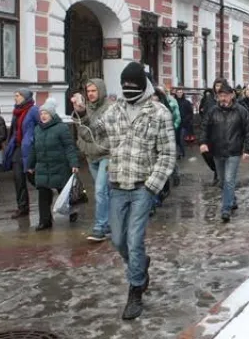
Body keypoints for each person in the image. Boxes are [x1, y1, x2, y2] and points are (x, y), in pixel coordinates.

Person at [78, 61, 177, 320]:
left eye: (133, 86)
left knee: (134, 240)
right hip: (117, 184)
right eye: (125, 86)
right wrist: (81, 113)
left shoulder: (159, 113)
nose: (128, 90)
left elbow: (168, 154)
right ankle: (140, 265)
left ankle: (135, 290)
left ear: (142, 86)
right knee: (118, 239)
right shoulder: (115, 110)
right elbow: (93, 134)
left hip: (143, 187)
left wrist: (152, 185)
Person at [200, 80, 249, 222]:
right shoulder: (212, 111)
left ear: (232, 96)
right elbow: (205, 127)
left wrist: (247, 149)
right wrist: (203, 142)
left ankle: (226, 209)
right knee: (223, 181)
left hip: (234, 151)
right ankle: (232, 199)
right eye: (220, 96)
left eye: (225, 95)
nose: (222, 98)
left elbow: (248, 130)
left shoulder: (241, 111)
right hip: (217, 151)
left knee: (229, 180)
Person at [28, 99, 79, 231]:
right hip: (43, 167)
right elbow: (34, 148)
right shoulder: (37, 129)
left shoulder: (61, 128)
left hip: (60, 166)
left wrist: (74, 163)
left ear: (52, 115)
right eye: (41, 114)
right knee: (43, 193)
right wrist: (30, 165)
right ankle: (45, 221)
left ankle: (72, 212)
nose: (43, 116)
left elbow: (69, 147)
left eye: (46, 113)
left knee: (64, 191)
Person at [73, 78, 112, 242]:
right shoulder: (85, 108)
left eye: (93, 91)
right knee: (105, 192)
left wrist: (83, 117)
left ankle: (99, 227)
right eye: (88, 91)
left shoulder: (110, 109)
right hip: (91, 156)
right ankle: (110, 224)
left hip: (106, 155)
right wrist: (80, 114)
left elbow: (97, 131)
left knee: (100, 190)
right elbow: (81, 132)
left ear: (101, 91)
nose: (90, 94)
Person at [3, 89, 39, 219]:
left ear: (25, 97)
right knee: (18, 178)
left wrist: (35, 141)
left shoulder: (34, 110)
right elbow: (14, 129)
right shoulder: (16, 111)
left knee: (32, 177)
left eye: (18, 96)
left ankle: (51, 193)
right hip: (18, 148)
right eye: (15, 95)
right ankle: (22, 207)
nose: (15, 98)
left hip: (30, 149)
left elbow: (42, 126)